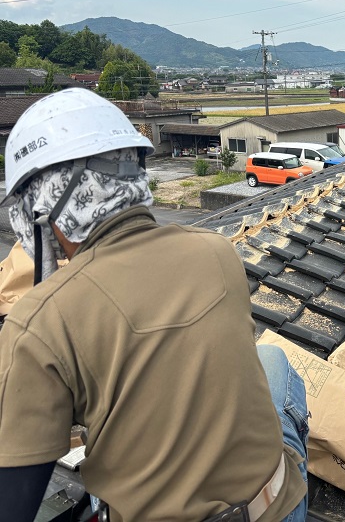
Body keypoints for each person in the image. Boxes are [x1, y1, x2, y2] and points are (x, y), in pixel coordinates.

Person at [0, 88, 308, 521]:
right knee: (273, 360)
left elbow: (13, 503)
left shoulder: (38, 320)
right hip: (278, 504)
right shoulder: (215, 251)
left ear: (45, 203)